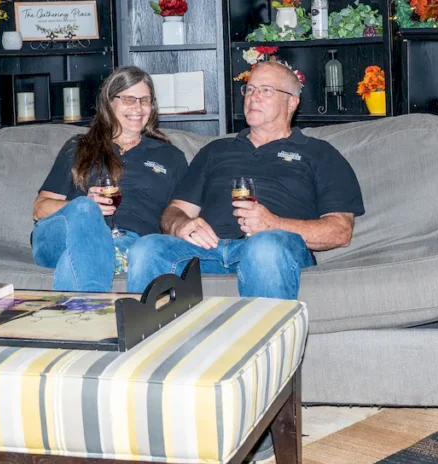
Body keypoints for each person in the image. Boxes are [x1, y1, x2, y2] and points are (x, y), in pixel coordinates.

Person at [127, 59, 365, 300]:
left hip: (275, 246)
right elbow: (176, 210)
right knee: (147, 248)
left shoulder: (319, 153)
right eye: (250, 89)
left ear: (292, 102)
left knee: (264, 247)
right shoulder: (215, 150)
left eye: (266, 90)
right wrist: (180, 225)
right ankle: (154, 338)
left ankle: (266, 337)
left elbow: (340, 230)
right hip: (209, 250)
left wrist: (273, 224)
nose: (254, 96)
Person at [32, 66, 187, 292]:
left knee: (75, 260)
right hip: (59, 236)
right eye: (129, 99)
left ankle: (82, 319)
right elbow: (39, 209)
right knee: (85, 208)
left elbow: (182, 214)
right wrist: (85, 207)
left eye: (145, 100)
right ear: (109, 102)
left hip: (127, 241)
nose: (138, 107)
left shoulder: (170, 157)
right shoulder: (79, 147)